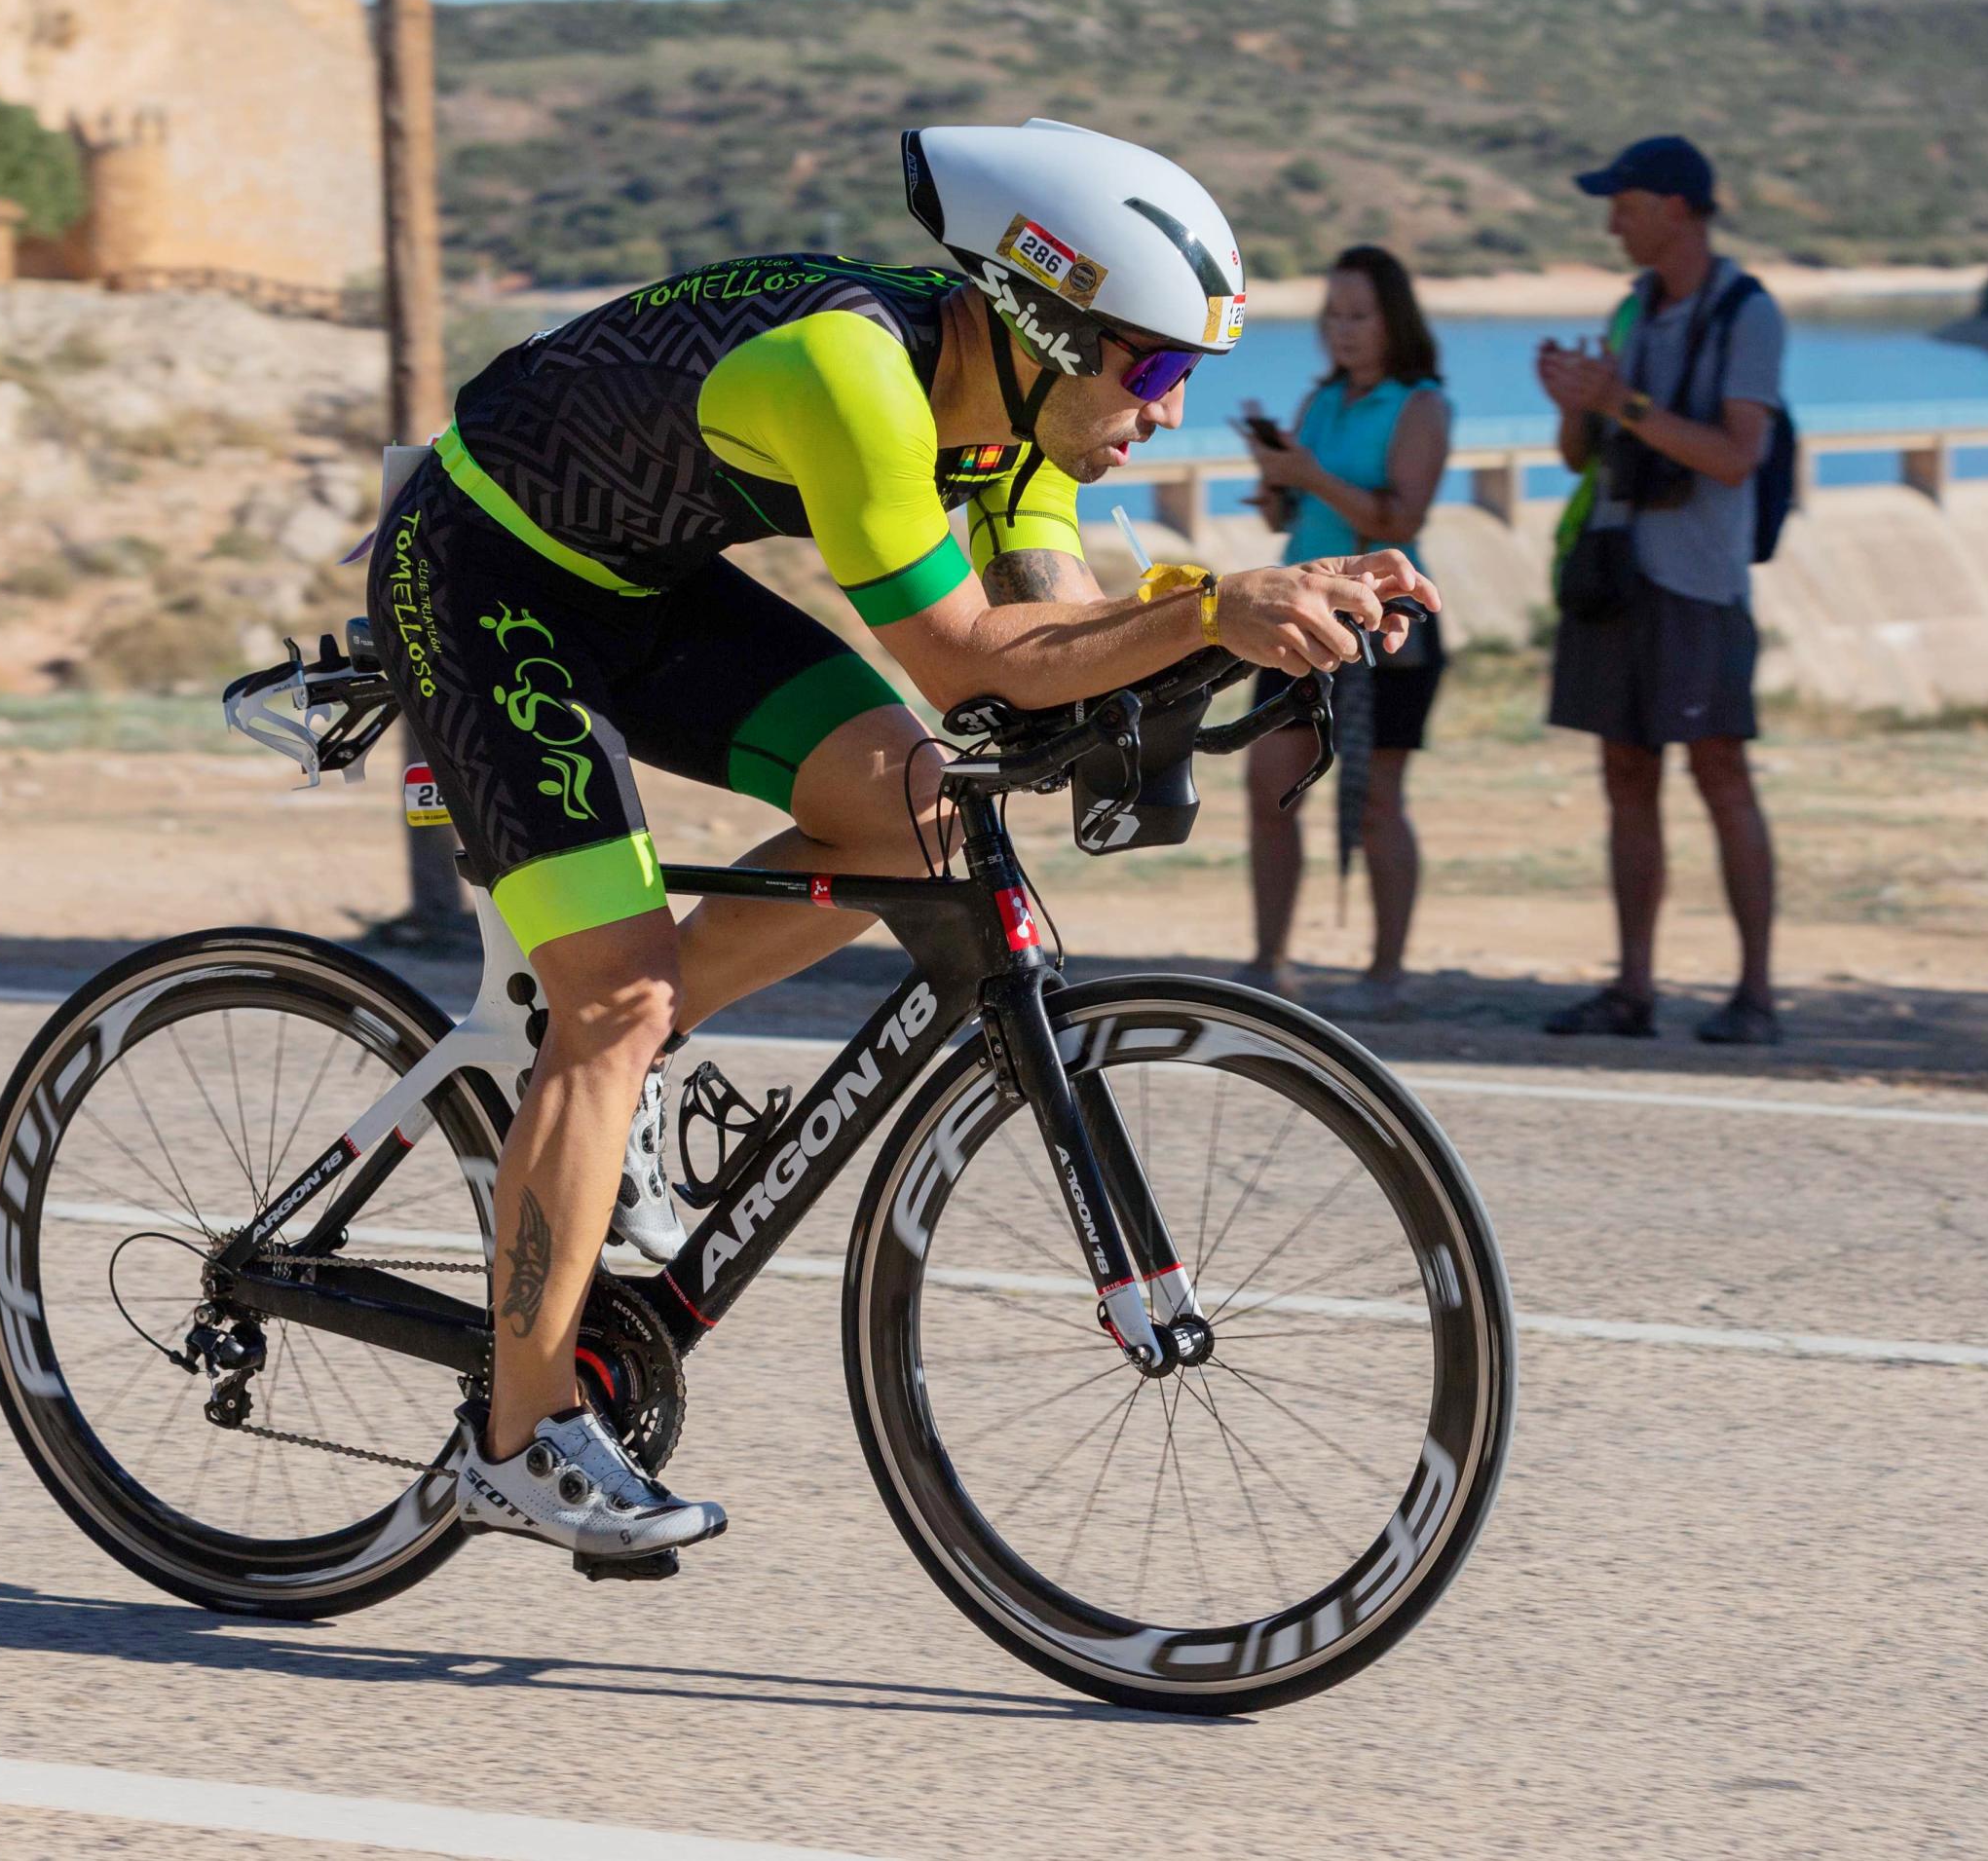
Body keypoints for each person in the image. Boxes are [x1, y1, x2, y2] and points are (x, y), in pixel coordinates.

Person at [367, 119, 1441, 1562]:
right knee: (608, 1000)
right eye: (1156, 367)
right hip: (484, 573)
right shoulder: (847, 372)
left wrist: (1272, 622)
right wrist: (1205, 608)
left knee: (918, 808)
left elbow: (1055, 641)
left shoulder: (1013, 427)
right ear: (1040, 316)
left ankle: (604, 1087)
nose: (1169, 411)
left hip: (643, 586)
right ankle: (517, 1430)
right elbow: (964, 655)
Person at [1532, 134, 1786, 1045]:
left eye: (1625, 205)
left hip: (1696, 580)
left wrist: (1618, 402)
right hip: (1614, 569)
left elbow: (1734, 455)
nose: (1611, 223)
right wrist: (1574, 405)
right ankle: (1632, 988)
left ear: (1676, 208)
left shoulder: (1745, 313)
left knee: (1721, 774)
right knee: (1624, 774)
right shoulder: (1631, 308)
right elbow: (1580, 457)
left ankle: (1755, 996)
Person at [1239, 246, 1452, 1019]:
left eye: (1359, 314)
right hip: (1301, 613)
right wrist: (1273, 479)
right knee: (1269, 786)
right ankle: (1268, 961)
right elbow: (1286, 515)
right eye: (1332, 313)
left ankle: (1386, 971)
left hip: (1386, 618)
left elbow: (1400, 519)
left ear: (1394, 319)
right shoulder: (1319, 400)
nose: (1343, 329)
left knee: (1375, 799)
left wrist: (1308, 477)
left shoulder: (1421, 404)